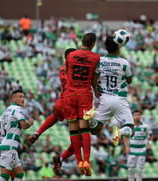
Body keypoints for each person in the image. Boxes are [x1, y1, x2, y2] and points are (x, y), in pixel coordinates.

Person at [28, 48, 77, 175]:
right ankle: (61, 158)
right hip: (71, 105)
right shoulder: (76, 70)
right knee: (79, 140)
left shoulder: (62, 69)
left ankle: (38, 132)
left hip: (60, 102)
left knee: (55, 116)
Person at [63, 32, 100, 176]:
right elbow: (94, 79)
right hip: (84, 95)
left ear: (81, 41)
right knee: (84, 129)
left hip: (70, 95)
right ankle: (86, 161)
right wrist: (96, 91)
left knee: (73, 129)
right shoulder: (96, 58)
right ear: (93, 44)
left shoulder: (70, 56)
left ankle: (79, 162)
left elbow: (66, 74)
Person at [88, 36, 135, 146]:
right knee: (131, 130)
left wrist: (95, 90)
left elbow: (93, 77)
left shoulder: (100, 61)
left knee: (95, 130)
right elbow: (129, 80)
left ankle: (90, 121)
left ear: (105, 48)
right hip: (120, 99)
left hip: (104, 98)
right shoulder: (124, 63)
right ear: (118, 48)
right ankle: (120, 131)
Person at [0, 89, 34, 181]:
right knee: (4, 177)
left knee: (19, 174)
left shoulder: (6, 111)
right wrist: (30, 123)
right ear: (13, 99)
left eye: (23, 97)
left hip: (7, 146)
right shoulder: (18, 109)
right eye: (20, 97)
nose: (23, 99)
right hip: (10, 147)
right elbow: (24, 126)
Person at [123, 110, 153, 181]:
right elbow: (124, 136)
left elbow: (151, 135)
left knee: (139, 170)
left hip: (142, 150)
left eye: (138, 115)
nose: (137, 117)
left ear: (140, 116)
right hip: (132, 150)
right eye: (135, 115)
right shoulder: (130, 127)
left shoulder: (145, 126)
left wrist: (150, 143)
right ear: (133, 116)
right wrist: (126, 146)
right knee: (130, 170)